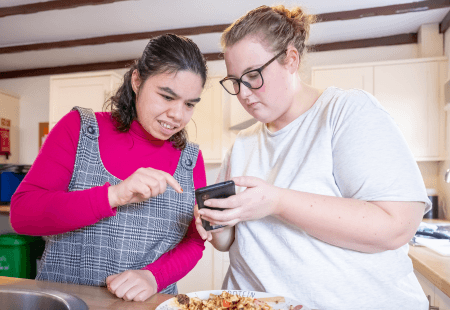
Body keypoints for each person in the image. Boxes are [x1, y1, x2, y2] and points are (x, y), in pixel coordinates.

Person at [194, 5, 430, 310]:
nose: (243, 93)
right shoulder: (242, 144)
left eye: (253, 75)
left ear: (291, 60)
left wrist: (277, 201)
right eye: (235, 81)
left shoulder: (345, 112)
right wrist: (216, 222)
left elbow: (397, 226)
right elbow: (228, 243)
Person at [10, 33, 208, 301]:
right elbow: (23, 215)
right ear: (137, 80)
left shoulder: (191, 160)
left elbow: (195, 241)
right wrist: (113, 195)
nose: (178, 115)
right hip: (63, 302)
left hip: (149, 305)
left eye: (189, 104)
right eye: (166, 96)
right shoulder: (79, 129)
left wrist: (154, 276)